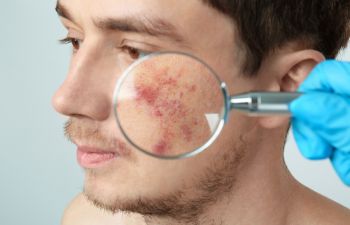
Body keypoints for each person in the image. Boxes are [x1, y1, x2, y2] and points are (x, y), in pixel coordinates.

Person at [53, 0, 350, 224]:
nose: (65, 100)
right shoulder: (84, 218)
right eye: (75, 39)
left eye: (136, 51)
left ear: (285, 88)